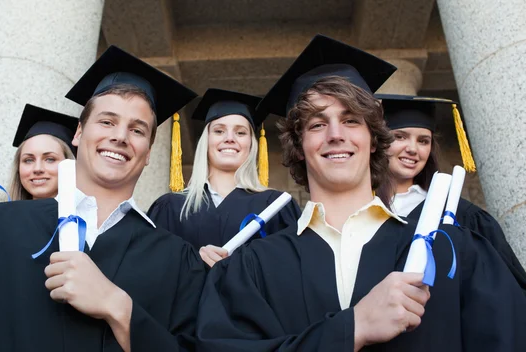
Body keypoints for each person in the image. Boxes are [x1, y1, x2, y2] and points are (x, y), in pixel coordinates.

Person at [195, 35, 526, 351]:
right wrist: (353, 328)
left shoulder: (453, 253)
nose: (336, 134)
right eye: (317, 124)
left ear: (374, 138)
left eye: (352, 120)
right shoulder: (249, 270)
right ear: (299, 146)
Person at [0, 45, 205, 351]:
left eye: (137, 130)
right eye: (107, 122)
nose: (120, 137)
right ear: (77, 133)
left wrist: (119, 308)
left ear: (149, 153)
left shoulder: (179, 261)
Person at [377, 93, 526, 293]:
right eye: (400, 137)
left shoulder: (460, 214)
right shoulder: (359, 206)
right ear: (379, 143)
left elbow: (500, 289)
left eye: (423, 141)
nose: (413, 149)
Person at [147, 88, 301, 267]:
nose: (229, 138)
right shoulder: (170, 207)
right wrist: (192, 262)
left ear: (251, 144)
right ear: (206, 141)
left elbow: (291, 272)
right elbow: (153, 270)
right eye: (219, 131)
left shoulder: (276, 206)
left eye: (241, 132)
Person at [9, 104, 78, 200]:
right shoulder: (1, 214)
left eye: (50, 159)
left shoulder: (89, 214)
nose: (37, 169)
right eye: (28, 160)